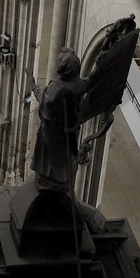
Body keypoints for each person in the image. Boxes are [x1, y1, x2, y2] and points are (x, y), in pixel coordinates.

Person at [31, 49, 92, 191]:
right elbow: (91, 80)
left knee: (49, 163)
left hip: (52, 133)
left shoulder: (56, 87)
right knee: (64, 160)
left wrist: (33, 85)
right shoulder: (79, 85)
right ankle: (61, 179)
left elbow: (44, 101)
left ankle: (48, 180)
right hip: (67, 135)